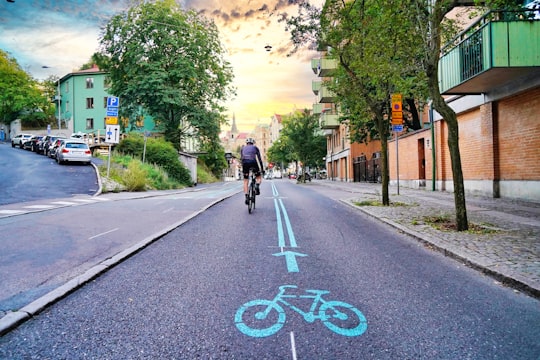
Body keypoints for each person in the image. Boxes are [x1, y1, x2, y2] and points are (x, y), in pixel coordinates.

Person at [241, 137, 263, 204]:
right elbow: (259, 159)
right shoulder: (255, 148)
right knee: (258, 177)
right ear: (253, 143)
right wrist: (262, 169)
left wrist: (244, 169)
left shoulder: (242, 148)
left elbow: (241, 159)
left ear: (246, 143)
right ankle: (257, 185)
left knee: (245, 181)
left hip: (245, 163)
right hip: (253, 162)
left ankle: (246, 196)